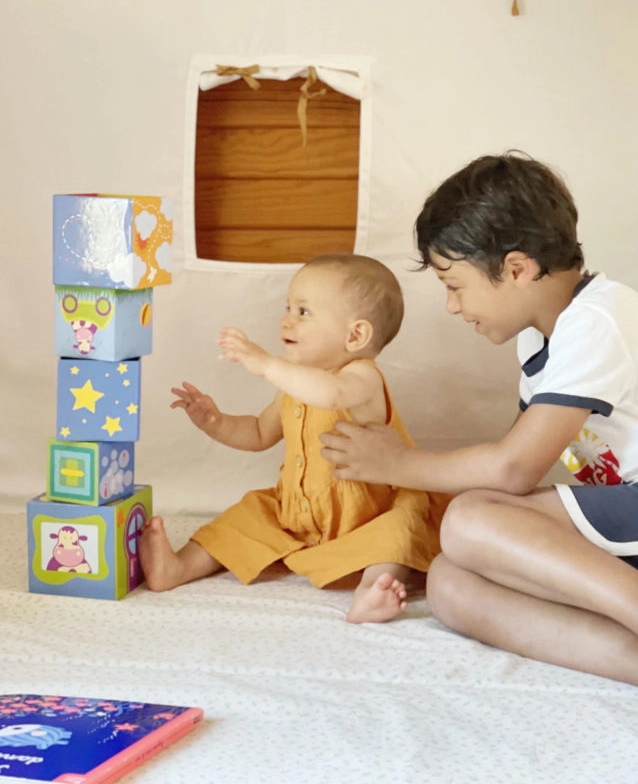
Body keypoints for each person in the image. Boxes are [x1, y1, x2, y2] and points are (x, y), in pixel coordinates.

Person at [320, 153, 638, 726]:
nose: (453, 306)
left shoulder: (596, 321)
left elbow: (512, 470)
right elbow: (514, 467)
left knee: (470, 520)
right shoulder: (540, 340)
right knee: (453, 581)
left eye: (456, 286)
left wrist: (399, 463)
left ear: (519, 269)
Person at [139, 253, 450, 624]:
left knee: (400, 530)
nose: (286, 319)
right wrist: (215, 421)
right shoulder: (295, 382)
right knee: (246, 515)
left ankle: (374, 589)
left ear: (355, 335)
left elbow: (332, 395)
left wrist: (268, 364)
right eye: (288, 307)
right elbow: (258, 433)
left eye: (303, 312)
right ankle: (179, 567)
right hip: (299, 512)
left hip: (369, 513)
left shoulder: (362, 378)